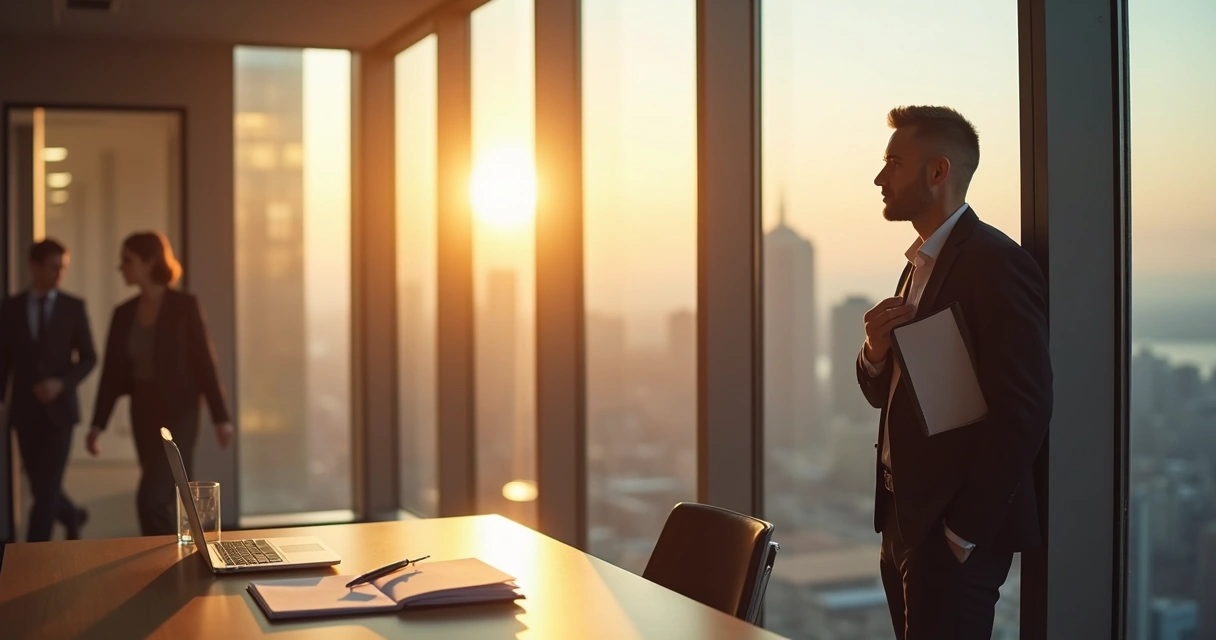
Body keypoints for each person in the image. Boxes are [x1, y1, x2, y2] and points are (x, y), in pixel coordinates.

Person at [856, 106, 1053, 639]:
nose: (879, 178)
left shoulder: (995, 263)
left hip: (950, 533)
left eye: (893, 163)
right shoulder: (918, 264)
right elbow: (894, 392)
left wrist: (962, 531)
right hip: (905, 520)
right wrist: (874, 351)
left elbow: (1024, 410)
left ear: (937, 172)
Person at [89, 231, 234, 536]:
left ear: (149, 261)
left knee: (152, 497)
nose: (121, 268)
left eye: (127, 261)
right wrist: (97, 425)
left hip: (180, 412)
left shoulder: (184, 306)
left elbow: (205, 364)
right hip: (143, 413)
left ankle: (162, 560)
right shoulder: (124, 313)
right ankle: (179, 556)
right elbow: (112, 374)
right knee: (167, 494)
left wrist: (221, 418)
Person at [0, 239, 96, 541]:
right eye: (54, 267)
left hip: (61, 412)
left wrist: (62, 384)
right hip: (25, 412)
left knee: (45, 491)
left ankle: (30, 558)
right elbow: (4, 360)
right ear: (35, 266)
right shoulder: (11, 308)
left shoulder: (72, 306)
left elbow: (90, 356)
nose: (59, 273)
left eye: (63, 268)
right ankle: (71, 514)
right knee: (42, 486)